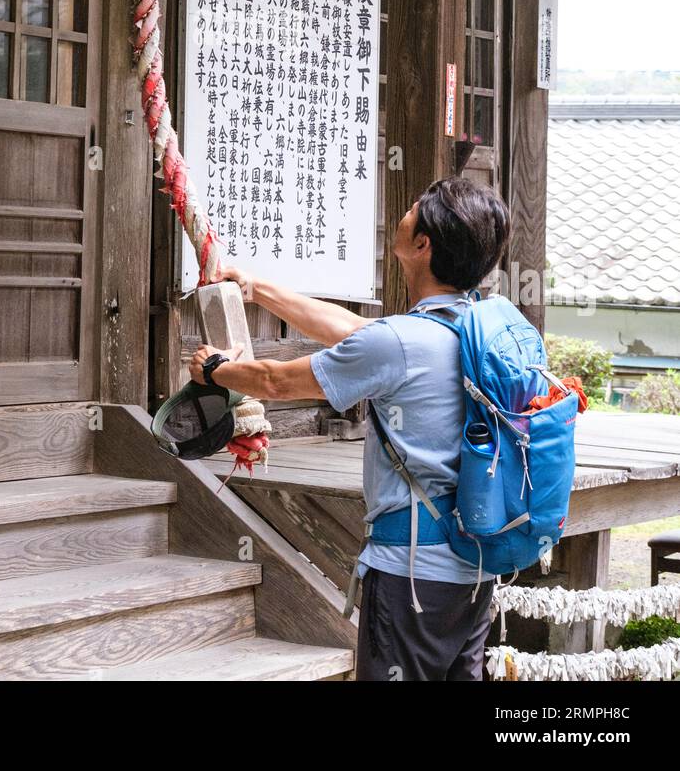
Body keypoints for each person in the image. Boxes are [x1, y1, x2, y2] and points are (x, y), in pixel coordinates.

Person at [189, 176, 511, 682]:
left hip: (413, 576)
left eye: (410, 209)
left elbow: (276, 380)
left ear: (422, 244)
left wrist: (216, 371)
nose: (402, 214)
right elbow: (351, 329)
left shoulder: (401, 343)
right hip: (474, 570)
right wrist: (256, 287)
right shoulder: (469, 330)